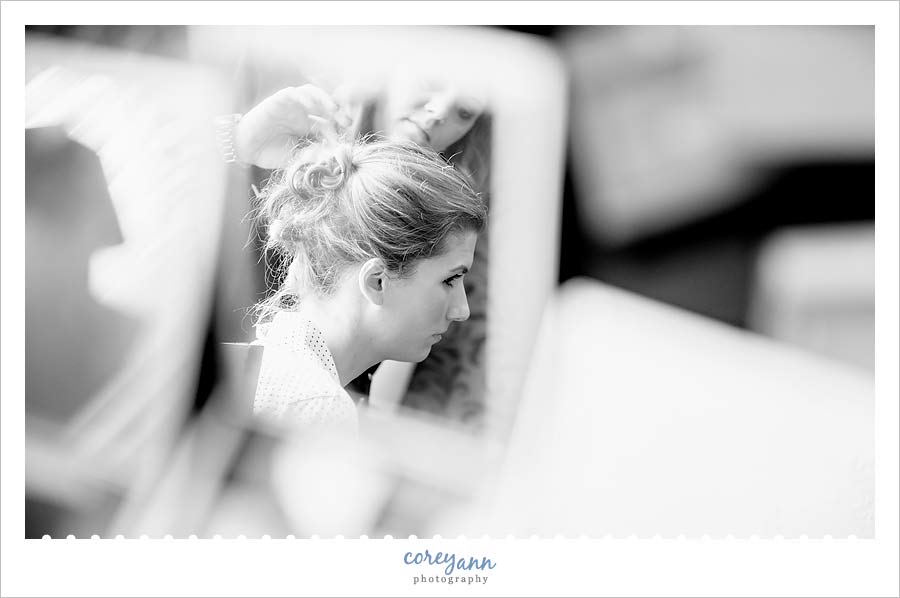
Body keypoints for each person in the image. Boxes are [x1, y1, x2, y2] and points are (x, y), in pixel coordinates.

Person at [235, 78, 492, 423]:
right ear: (375, 280)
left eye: (464, 112)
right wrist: (238, 145)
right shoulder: (315, 400)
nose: (438, 113)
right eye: (450, 280)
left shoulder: (372, 345)